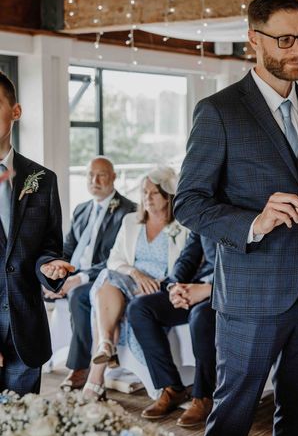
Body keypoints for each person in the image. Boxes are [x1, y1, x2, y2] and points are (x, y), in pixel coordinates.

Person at [174, 0, 298, 436]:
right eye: (285, 40)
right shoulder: (219, 111)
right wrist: (254, 221)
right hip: (250, 296)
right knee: (233, 416)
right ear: (254, 40)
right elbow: (188, 202)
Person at [83, 167, 188, 400]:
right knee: (108, 279)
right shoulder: (132, 221)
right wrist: (136, 274)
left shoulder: (182, 227)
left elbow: (185, 265)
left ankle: (97, 372)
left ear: (168, 196)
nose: (146, 198)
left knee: (109, 288)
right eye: (144, 192)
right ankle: (106, 347)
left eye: (153, 193)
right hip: (129, 279)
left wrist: (157, 283)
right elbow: (115, 259)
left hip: (160, 286)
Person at [0, 71, 74, 394]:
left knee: (24, 427)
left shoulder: (43, 179)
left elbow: (49, 245)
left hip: (25, 331)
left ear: (15, 112)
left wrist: (49, 266)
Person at [47, 157, 136, 391]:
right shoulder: (82, 209)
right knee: (38, 287)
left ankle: (80, 367)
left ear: (114, 177)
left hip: (105, 278)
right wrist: (57, 275)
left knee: (78, 296)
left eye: (102, 175)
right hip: (75, 274)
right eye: (90, 175)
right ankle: (35, 357)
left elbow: (117, 259)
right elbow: (67, 250)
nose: (94, 180)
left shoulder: (128, 211)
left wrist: (78, 280)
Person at [128, 231, 216, 428]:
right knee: (140, 308)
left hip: (230, 293)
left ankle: (204, 396)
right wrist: (174, 287)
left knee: (201, 316)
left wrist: (208, 289)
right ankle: (173, 388)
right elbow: (187, 257)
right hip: (197, 286)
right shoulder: (205, 211)